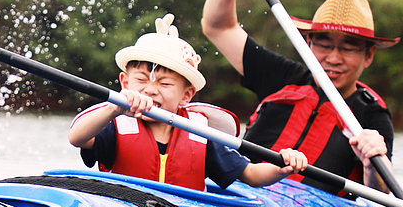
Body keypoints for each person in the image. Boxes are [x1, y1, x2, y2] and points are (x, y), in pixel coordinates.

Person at [201, 0, 399, 192]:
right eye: (324, 45)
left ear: (368, 55)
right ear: (308, 44)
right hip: (238, 195)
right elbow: (217, 27)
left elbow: (380, 193)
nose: (334, 58)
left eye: (348, 48)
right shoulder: (281, 75)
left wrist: (372, 164)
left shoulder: (372, 113)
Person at [69, 13, 306, 192]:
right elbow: (77, 138)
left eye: (165, 84)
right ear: (125, 82)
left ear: (186, 95)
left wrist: (281, 167)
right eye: (140, 80)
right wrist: (114, 107)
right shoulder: (116, 122)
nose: (150, 90)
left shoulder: (199, 133)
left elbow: (251, 174)